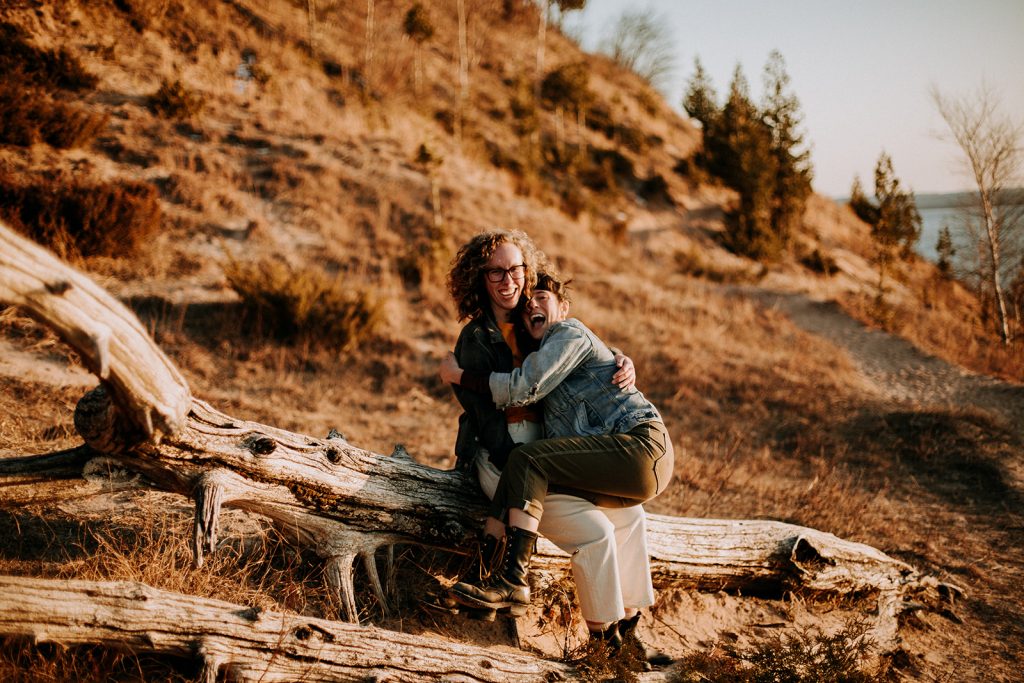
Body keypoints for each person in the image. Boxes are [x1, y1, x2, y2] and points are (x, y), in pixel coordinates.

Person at [443, 231, 660, 654]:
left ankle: (629, 631)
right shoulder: (475, 339)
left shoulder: (535, 323)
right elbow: (486, 418)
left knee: (631, 515)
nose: (508, 280)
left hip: (554, 459)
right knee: (595, 532)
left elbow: (576, 353)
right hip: (510, 462)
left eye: (515, 269)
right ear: (479, 278)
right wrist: (513, 489)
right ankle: (604, 648)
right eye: (495, 272)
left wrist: (618, 356)